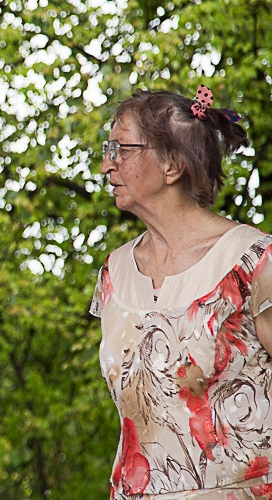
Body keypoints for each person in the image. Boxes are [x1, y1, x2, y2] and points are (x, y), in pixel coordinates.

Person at [90, 84, 272, 499]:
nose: (105, 165)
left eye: (121, 150)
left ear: (172, 165)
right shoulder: (114, 273)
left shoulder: (253, 261)